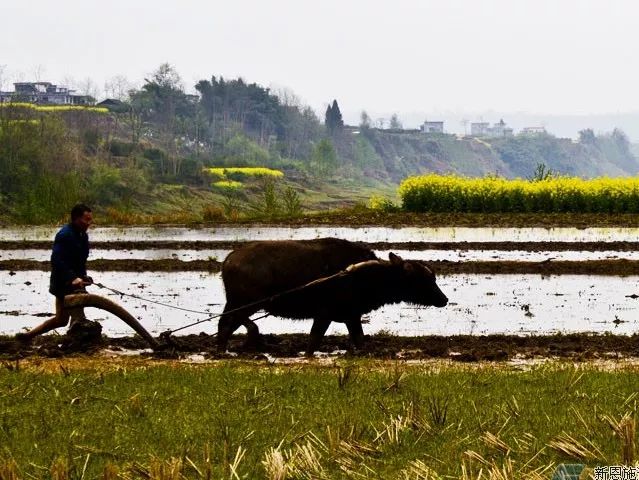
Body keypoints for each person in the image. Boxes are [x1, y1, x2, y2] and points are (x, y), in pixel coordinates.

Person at [16, 204, 94, 342]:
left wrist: (83, 276)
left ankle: (27, 336)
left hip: (76, 283)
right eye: (86, 220)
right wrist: (72, 277)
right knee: (78, 316)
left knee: (61, 320)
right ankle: (75, 342)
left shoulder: (83, 236)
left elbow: (80, 261)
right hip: (63, 282)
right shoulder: (65, 235)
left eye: (90, 220)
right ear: (76, 219)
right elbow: (56, 260)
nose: (89, 223)